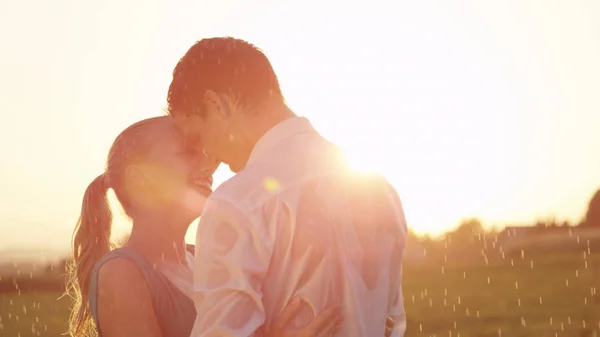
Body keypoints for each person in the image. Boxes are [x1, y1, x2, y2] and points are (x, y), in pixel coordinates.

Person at [167, 37, 408, 337]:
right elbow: (390, 326)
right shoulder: (381, 191)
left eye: (198, 137)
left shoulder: (237, 202)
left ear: (215, 105)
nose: (208, 156)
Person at [65, 116, 345, 337]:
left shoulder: (206, 258)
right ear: (140, 178)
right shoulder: (121, 273)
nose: (211, 163)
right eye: (190, 153)